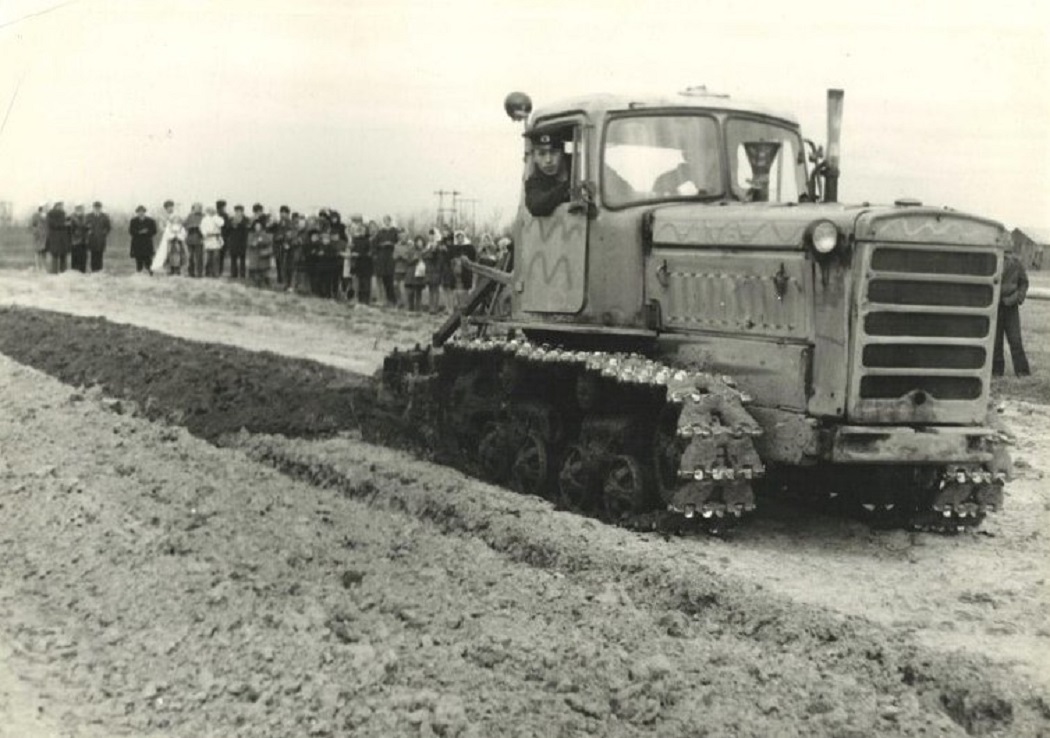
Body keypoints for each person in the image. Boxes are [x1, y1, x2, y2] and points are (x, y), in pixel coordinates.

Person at [993, 247, 1031, 377]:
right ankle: (996, 372)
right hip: (993, 307)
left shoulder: (1016, 262)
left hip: (1011, 307)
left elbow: (1024, 283)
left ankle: (1022, 372)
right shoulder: (991, 259)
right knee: (995, 340)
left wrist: (1017, 298)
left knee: (1015, 339)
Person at [525, 132, 571, 216]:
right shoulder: (535, 182)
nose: (548, 160)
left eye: (554, 152)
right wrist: (568, 187)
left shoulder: (581, 166)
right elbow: (536, 206)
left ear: (563, 153)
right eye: (542, 154)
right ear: (534, 157)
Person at [373, 215, 398, 306]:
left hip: (391, 257)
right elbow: (375, 244)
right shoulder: (380, 232)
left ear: (390, 221)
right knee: (384, 279)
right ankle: (387, 300)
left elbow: (398, 242)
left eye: (388, 220)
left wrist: (391, 244)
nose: (386, 222)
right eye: (385, 221)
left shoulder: (394, 231)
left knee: (391, 279)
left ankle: (393, 300)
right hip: (382, 258)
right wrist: (382, 245)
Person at [128, 205, 157, 273]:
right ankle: (139, 274)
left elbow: (154, 231)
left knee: (148, 260)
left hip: (147, 243)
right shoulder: (133, 221)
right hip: (137, 243)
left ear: (144, 212)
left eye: (142, 211)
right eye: (139, 212)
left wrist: (147, 232)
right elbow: (131, 231)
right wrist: (139, 232)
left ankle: (150, 274)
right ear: (137, 212)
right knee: (138, 260)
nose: (141, 213)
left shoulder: (150, 221)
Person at [45, 201, 71, 274]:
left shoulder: (64, 213)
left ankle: (63, 272)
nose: (61, 206)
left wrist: (68, 221)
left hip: (63, 238)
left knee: (63, 255)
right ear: (56, 205)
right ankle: (54, 273)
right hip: (55, 238)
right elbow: (52, 224)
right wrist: (64, 224)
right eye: (60, 205)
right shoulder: (51, 214)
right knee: (55, 256)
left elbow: (68, 224)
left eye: (62, 205)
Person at [246, 218, 273, 288]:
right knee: (255, 270)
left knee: (263, 270)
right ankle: (256, 281)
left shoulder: (264, 234)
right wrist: (253, 243)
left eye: (259, 226)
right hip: (254, 255)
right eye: (256, 226)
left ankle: (265, 280)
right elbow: (249, 243)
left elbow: (268, 242)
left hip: (262, 255)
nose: (257, 227)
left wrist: (260, 241)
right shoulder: (251, 234)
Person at [85, 201, 111, 273]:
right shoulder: (88, 216)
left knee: (100, 255)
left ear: (100, 208)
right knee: (93, 255)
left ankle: (99, 271)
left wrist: (104, 232)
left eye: (98, 207)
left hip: (101, 239)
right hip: (92, 239)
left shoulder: (105, 217)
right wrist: (88, 231)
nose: (97, 209)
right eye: (95, 207)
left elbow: (108, 227)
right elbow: (85, 227)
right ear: (93, 208)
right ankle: (93, 271)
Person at [225, 205, 250, 279]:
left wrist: (239, 224)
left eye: (240, 211)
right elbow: (227, 230)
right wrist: (231, 225)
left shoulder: (246, 219)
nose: (238, 213)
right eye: (237, 211)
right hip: (233, 242)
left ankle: (242, 274)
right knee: (233, 259)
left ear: (242, 212)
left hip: (242, 242)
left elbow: (247, 230)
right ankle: (234, 274)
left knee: (242, 259)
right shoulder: (231, 219)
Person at [200, 205, 224, 277]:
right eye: (209, 210)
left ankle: (215, 273)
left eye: (212, 210)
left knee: (216, 257)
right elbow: (202, 228)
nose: (211, 211)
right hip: (208, 239)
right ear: (207, 211)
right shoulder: (204, 219)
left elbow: (221, 223)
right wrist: (205, 234)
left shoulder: (217, 218)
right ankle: (208, 273)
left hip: (215, 239)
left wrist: (215, 217)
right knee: (208, 258)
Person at [183, 203, 205, 277]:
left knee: (199, 257)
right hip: (190, 238)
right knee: (190, 257)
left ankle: (199, 273)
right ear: (193, 208)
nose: (198, 209)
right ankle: (191, 272)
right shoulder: (190, 216)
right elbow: (184, 225)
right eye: (197, 208)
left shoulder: (203, 216)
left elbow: (205, 226)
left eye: (200, 207)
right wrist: (191, 226)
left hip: (199, 238)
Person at [69, 204, 89, 273]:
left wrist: (88, 229)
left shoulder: (85, 217)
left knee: (83, 257)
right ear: (76, 209)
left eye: (81, 209)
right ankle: (74, 272)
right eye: (79, 208)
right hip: (75, 241)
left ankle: (82, 271)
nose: (80, 210)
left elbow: (87, 226)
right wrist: (75, 233)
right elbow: (70, 229)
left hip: (84, 240)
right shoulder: (72, 217)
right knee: (75, 257)